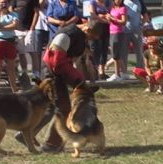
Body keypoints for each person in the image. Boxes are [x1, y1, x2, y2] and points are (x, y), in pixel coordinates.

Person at [14, 20, 103, 152]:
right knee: (63, 108)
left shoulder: (79, 36)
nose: (91, 40)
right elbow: (55, 61)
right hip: (52, 73)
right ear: (87, 30)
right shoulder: (67, 35)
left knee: (51, 108)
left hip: (59, 73)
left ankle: (26, 134)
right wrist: (76, 78)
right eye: (92, 36)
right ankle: (51, 145)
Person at [0, 0, 19, 96]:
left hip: (10, 41)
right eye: (1, 2)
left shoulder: (14, 14)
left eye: (5, 2)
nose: (3, 4)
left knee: (11, 67)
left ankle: (14, 90)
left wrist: (2, 27)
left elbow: (14, 25)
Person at [10, 0, 40, 88]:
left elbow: (36, 13)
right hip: (17, 30)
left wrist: (32, 28)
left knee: (32, 52)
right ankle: (24, 75)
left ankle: (36, 76)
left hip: (29, 29)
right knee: (21, 53)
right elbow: (11, 9)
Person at [120, 0, 148, 77]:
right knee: (123, 52)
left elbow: (145, 16)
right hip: (124, 31)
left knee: (139, 51)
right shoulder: (122, 2)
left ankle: (140, 71)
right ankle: (123, 72)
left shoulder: (140, 2)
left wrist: (142, 25)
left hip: (137, 30)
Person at [89, 0, 111, 80]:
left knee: (104, 49)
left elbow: (111, 14)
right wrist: (104, 18)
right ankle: (94, 70)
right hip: (96, 28)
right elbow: (93, 15)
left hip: (106, 28)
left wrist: (103, 16)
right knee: (95, 49)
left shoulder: (108, 2)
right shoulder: (93, 2)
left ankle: (102, 71)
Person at [106, 0, 127, 81]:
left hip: (118, 33)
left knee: (115, 55)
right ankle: (124, 73)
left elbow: (123, 22)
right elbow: (110, 21)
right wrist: (108, 18)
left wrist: (112, 18)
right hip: (111, 31)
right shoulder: (112, 8)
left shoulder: (123, 8)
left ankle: (117, 74)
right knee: (115, 54)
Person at [35, 0, 50, 77]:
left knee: (48, 52)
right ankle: (37, 74)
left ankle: (47, 73)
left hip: (51, 27)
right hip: (39, 26)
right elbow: (38, 7)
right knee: (37, 51)